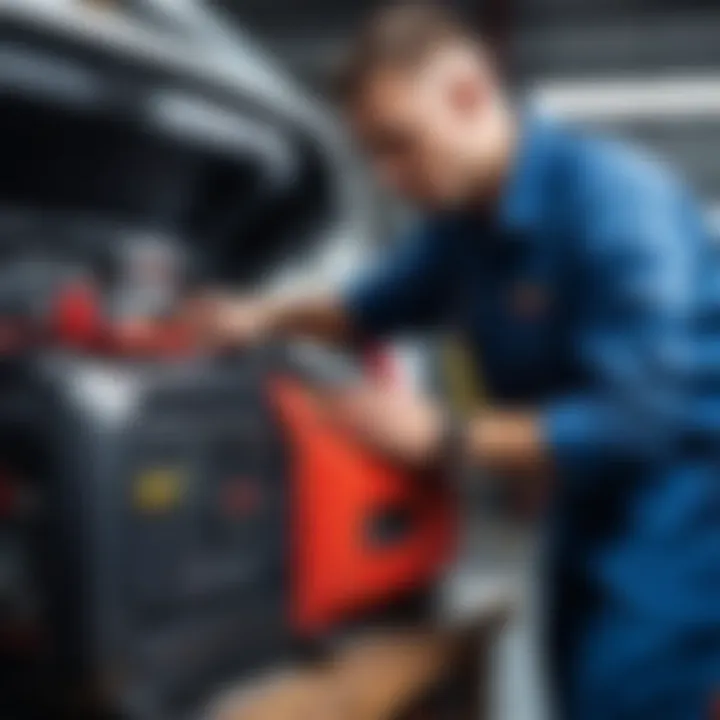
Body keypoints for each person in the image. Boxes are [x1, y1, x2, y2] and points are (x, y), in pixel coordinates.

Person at [188, 4, 720, 718]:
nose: (388, 177)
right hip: (584, 504)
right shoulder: (464, 229)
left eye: (400, 145)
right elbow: (361, 310)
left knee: (624, 697)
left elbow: (646, 414)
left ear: (468, 94)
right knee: (574, 686)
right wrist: (259, 315)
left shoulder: (615, 203)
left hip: (676, 507)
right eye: (372, 153)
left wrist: (449, 436)